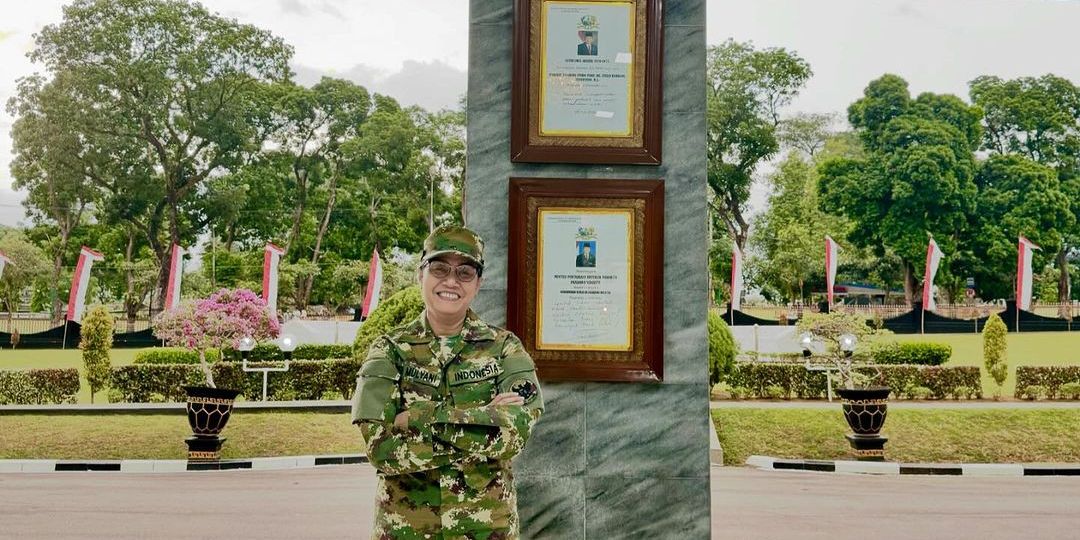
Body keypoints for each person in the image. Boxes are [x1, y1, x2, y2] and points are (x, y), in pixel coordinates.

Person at [351, 225, 544, 539]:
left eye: (465, 272)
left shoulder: (506, 348)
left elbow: (515, 435)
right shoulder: (388, 350)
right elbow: (380, 448)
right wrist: (484, 419)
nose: (451, 281)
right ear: (421, 275)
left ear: (478, 283)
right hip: (406, 530)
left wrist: (417, 418)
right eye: (439, 268)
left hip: (486, 529)